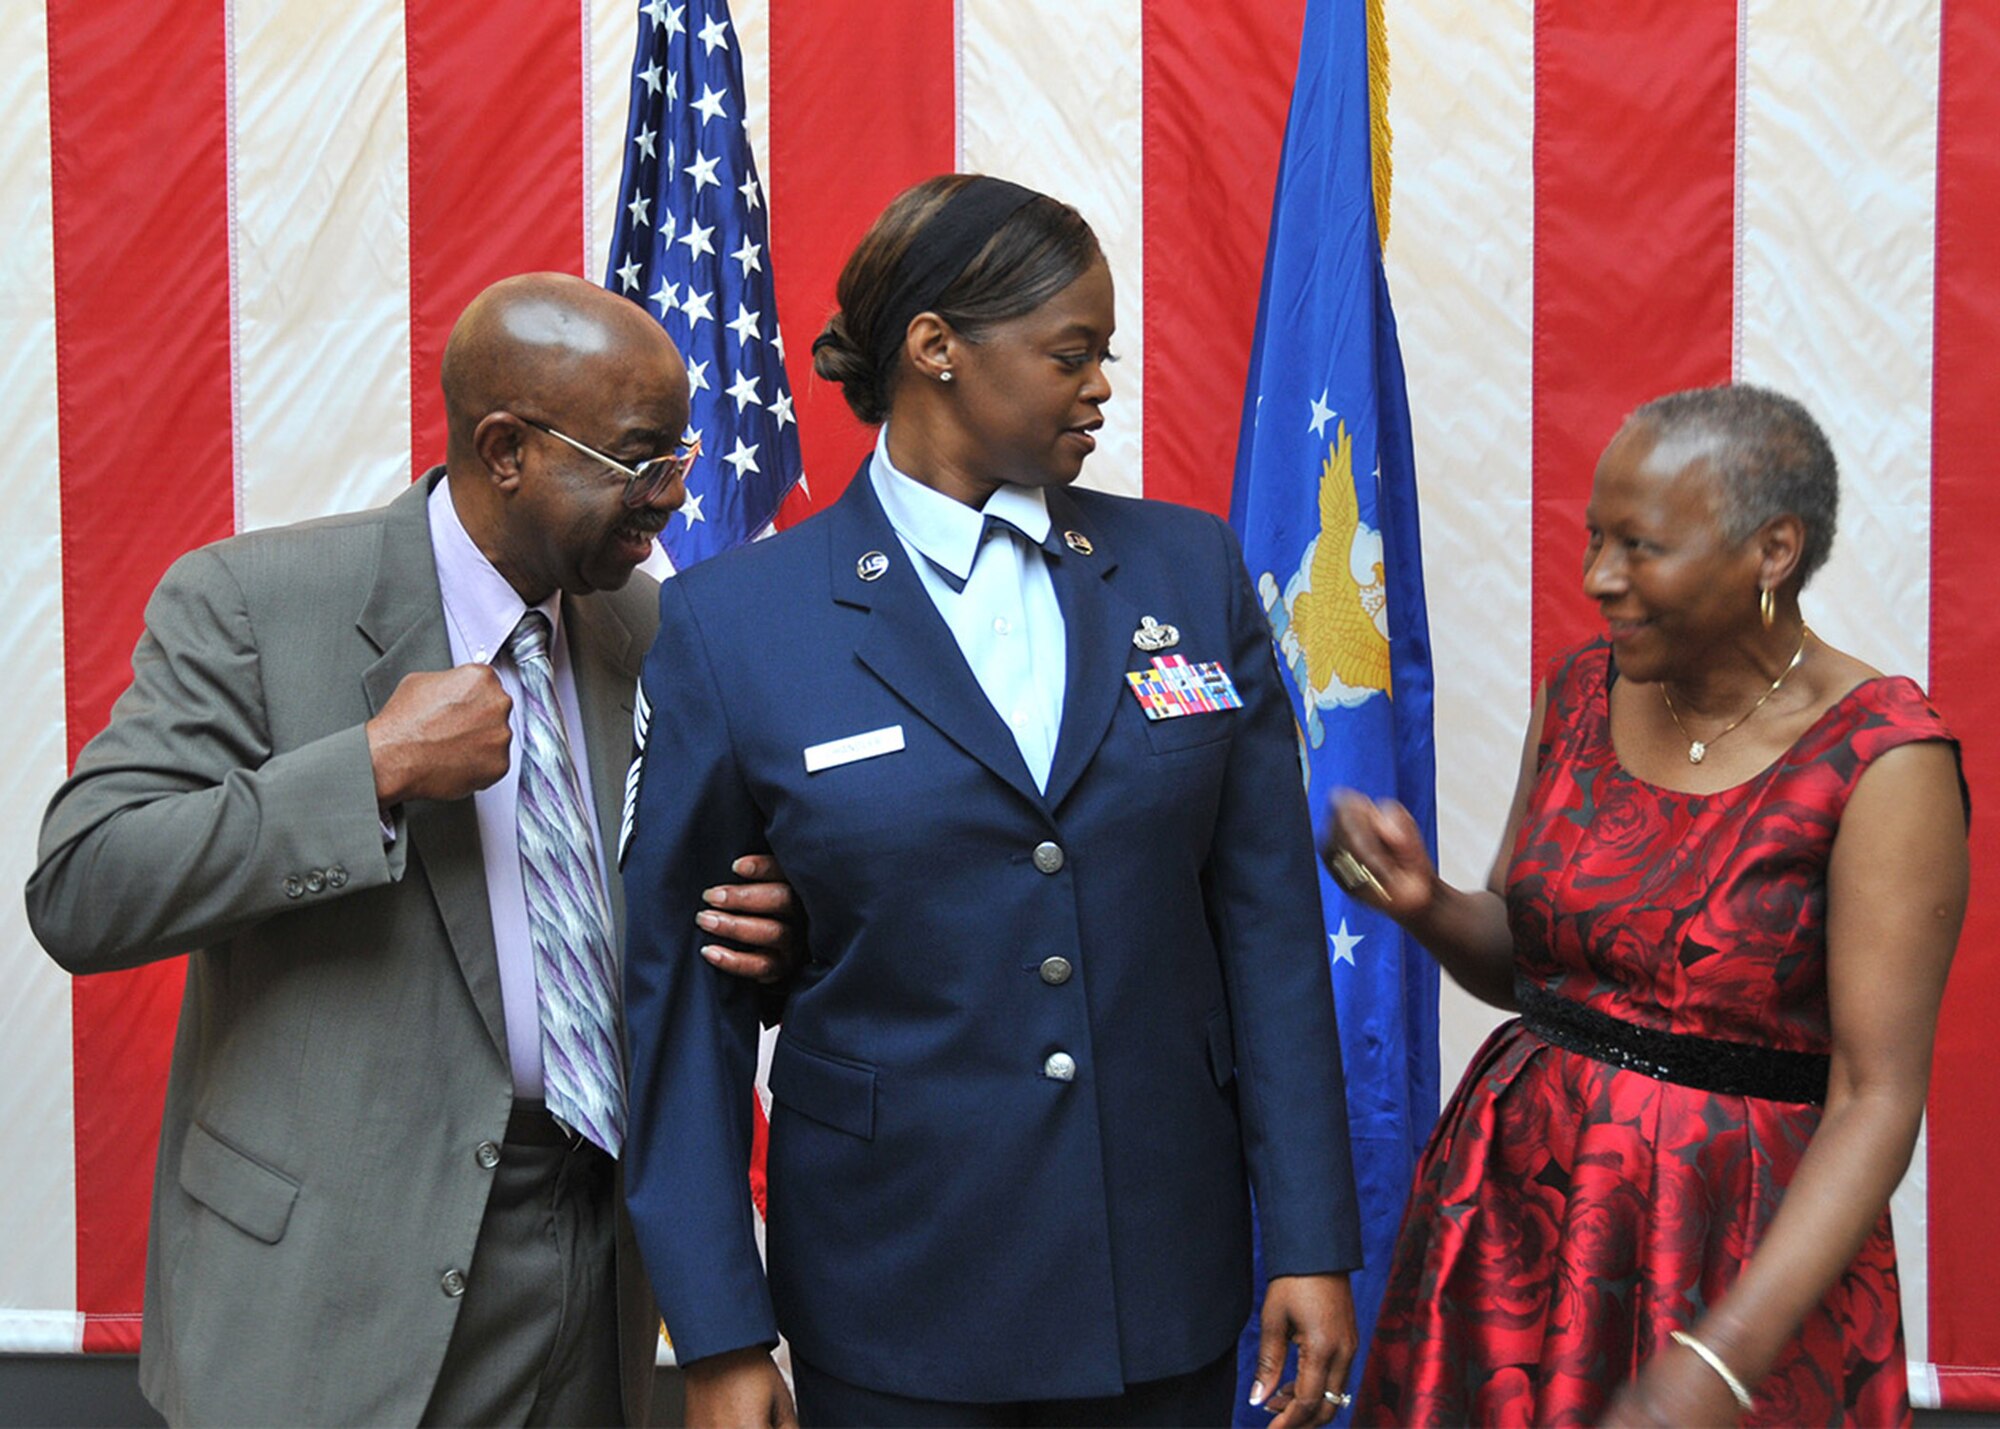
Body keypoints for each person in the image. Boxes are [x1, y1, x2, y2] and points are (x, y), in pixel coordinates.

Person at [617, 174, 1363, 1429]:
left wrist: (1307, 1235)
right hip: (895, 1288)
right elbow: (679, 998)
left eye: (1104, 356)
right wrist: (717, 1332)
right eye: (1071, 353)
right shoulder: (737, 624)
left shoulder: (1189, 568)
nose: (1102, 387)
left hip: (1161, 1285)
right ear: (934, 349)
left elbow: (1270, 936)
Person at [26, 272, 800, 1427]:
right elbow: (85, 887)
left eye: (681, 459)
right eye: (642, 463)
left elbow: (661, 940)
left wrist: (767, 938)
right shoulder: (252, 602)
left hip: (593, 1268)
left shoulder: (649, 628)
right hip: (328, 1294)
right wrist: (370, 770)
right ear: (505, 448)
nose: (672, 501)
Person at [1324, 385, 1968, 1427]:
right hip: (1513, 1213)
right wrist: (1423, 903)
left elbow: (1874, 1097)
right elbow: (1530, 963)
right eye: (1594, 539)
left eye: (1639, 546)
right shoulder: (1580, 689)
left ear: (1771, 550)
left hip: (1728, 1252)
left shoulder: (1882, 759)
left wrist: (1719, 1361)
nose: (1597, 579)